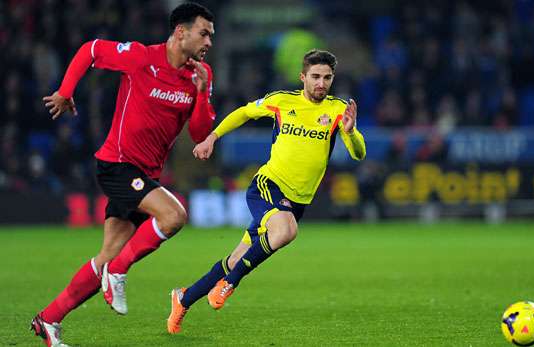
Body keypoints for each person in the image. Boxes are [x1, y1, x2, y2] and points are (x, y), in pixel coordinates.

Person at [31, 3, 216, 346]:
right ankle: (119, 271)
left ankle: (48, 319)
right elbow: (90, 49)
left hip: (144, 175)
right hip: (117, 165)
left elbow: (199, 132)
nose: (209, 42)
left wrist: (204, 93)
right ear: (181, 31)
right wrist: (66, 91)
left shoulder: (199, 76)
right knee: (174, 216)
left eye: (211, 36)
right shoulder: (141, 57)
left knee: (105, 256)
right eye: (203, 33)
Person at [167, 49, 367, 334]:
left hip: (297, 201)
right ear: (303, 77)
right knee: (286, 231)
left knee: (238, 257)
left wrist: (350, 130)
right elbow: (244, 113)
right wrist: (212, 137)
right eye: (315, 77)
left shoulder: (337, 110)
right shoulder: (282, 101)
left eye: (327, 77)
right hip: (267, 186)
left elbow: (358, 154)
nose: (321, 83)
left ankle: (183, 298)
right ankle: (230, 283)